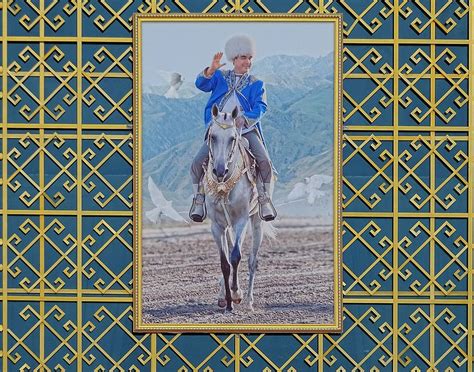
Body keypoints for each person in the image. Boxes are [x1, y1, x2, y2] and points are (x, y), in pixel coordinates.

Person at [189, 34, 277, 223]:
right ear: (234, 59)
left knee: (265, 162)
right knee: (197, 163)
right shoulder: (220, 77)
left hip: (245, 130)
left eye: (250, 58)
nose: (248, 62)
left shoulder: (256, 83)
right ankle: (198, 199)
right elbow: (201, 85)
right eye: (244, 57)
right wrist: (211, 69)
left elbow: (261, 107)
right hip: (220, 130)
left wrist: (245, 119)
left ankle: (264, 199)